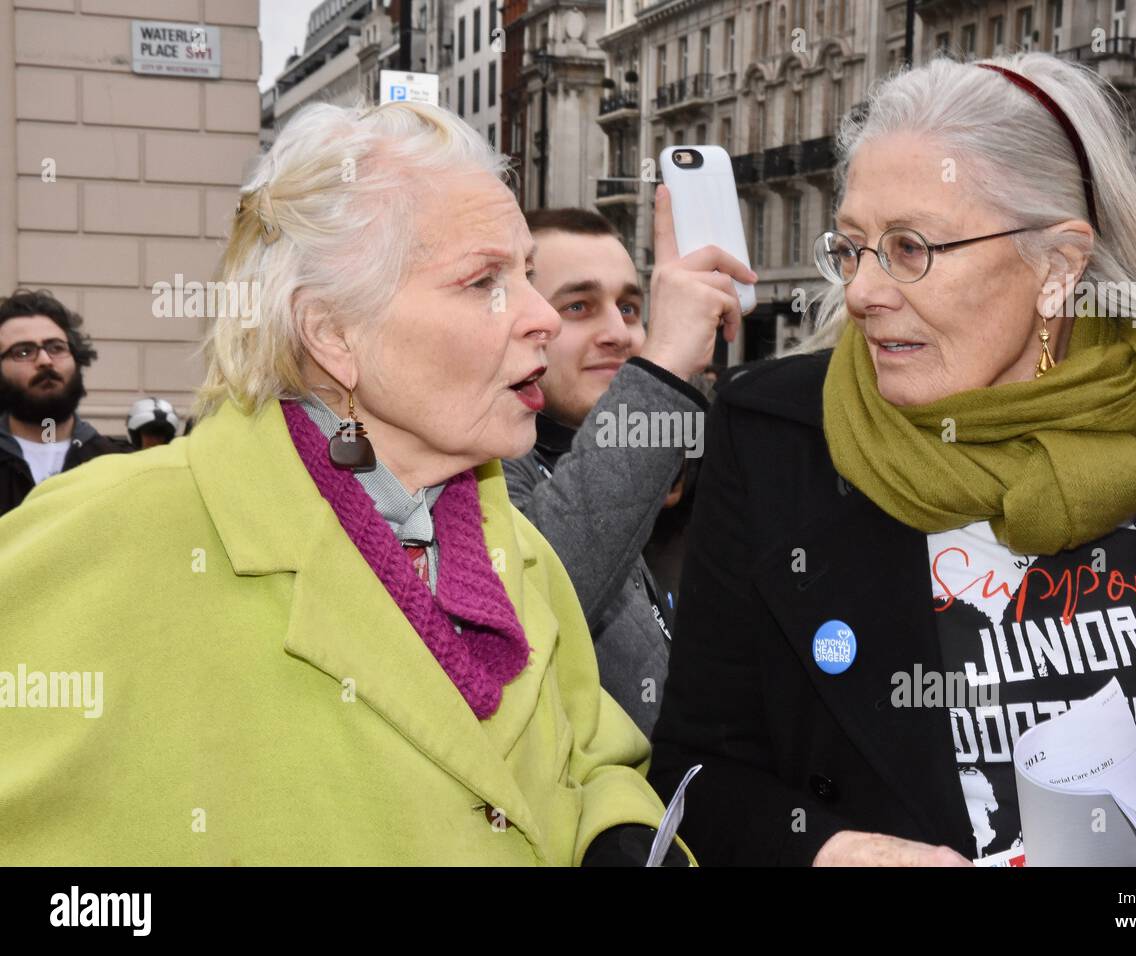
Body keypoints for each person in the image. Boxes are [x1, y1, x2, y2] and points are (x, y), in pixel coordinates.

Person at [649, 53, 1136, 867]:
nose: (861, 292)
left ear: (1058, 267)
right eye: (852, 246)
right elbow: (698, 767)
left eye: (911, 247)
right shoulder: (776, 438)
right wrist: (829, 853)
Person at [0, 101, 689, 866]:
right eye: (483, 281)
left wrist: (615, 834)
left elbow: (589, 760)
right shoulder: (107, 534)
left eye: (525, 273)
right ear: (332, 333)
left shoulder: (520, 548)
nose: (541, 318)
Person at [503, 204, 753, 734]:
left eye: (632, 308)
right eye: (578, 306)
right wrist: (663, 364)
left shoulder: (685, 461)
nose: (619, 332)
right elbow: (541, 601)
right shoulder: (480, 468)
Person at [0, 289, 129, 518]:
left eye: (56, 348)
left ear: (77, 357)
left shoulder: (118, 464)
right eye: (23, 352)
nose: (45, 361)